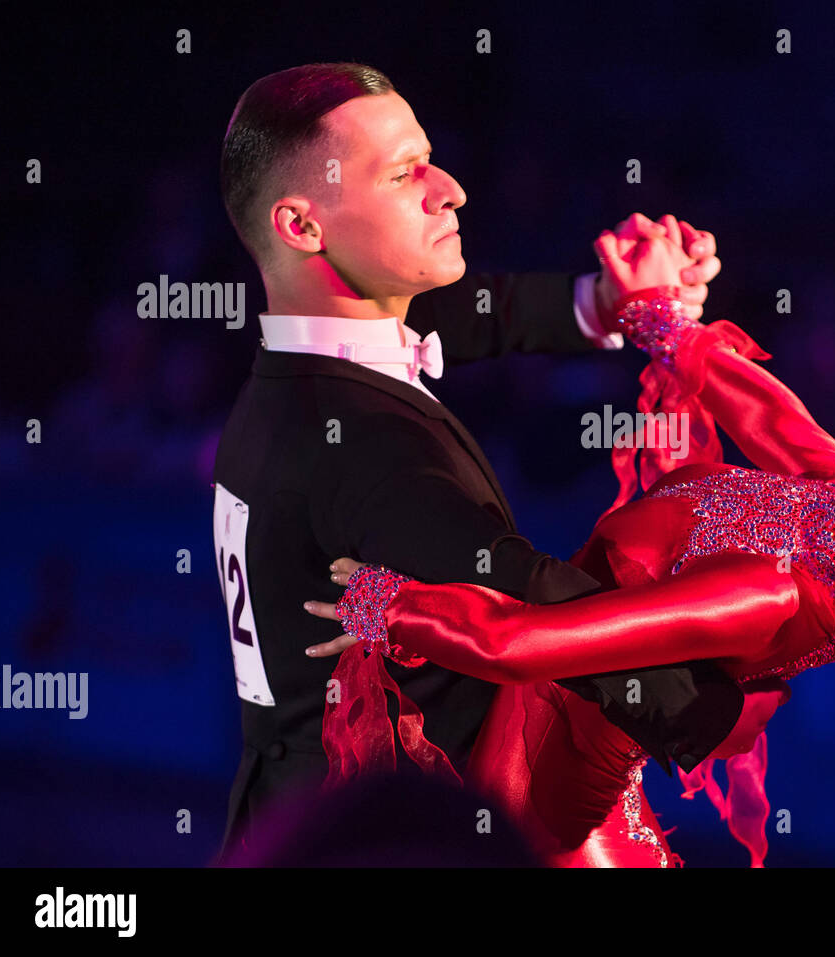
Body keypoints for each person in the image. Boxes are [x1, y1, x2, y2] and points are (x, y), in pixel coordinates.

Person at [304, 226, 835, 867]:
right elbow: (760, 410)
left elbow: (519, 642)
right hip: (559, 749)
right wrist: (656, 309)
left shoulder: (771, 596)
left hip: (548, 801)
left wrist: (383, 603)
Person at [211, 61, 771, 862]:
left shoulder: (306, 365)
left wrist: (606, 303)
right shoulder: (366, 445)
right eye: (406, 174)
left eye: (430, 156)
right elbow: (531, 599)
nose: (451, 188)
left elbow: (471, 314)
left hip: (287, 816)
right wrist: (714, 703)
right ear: (303, 227)